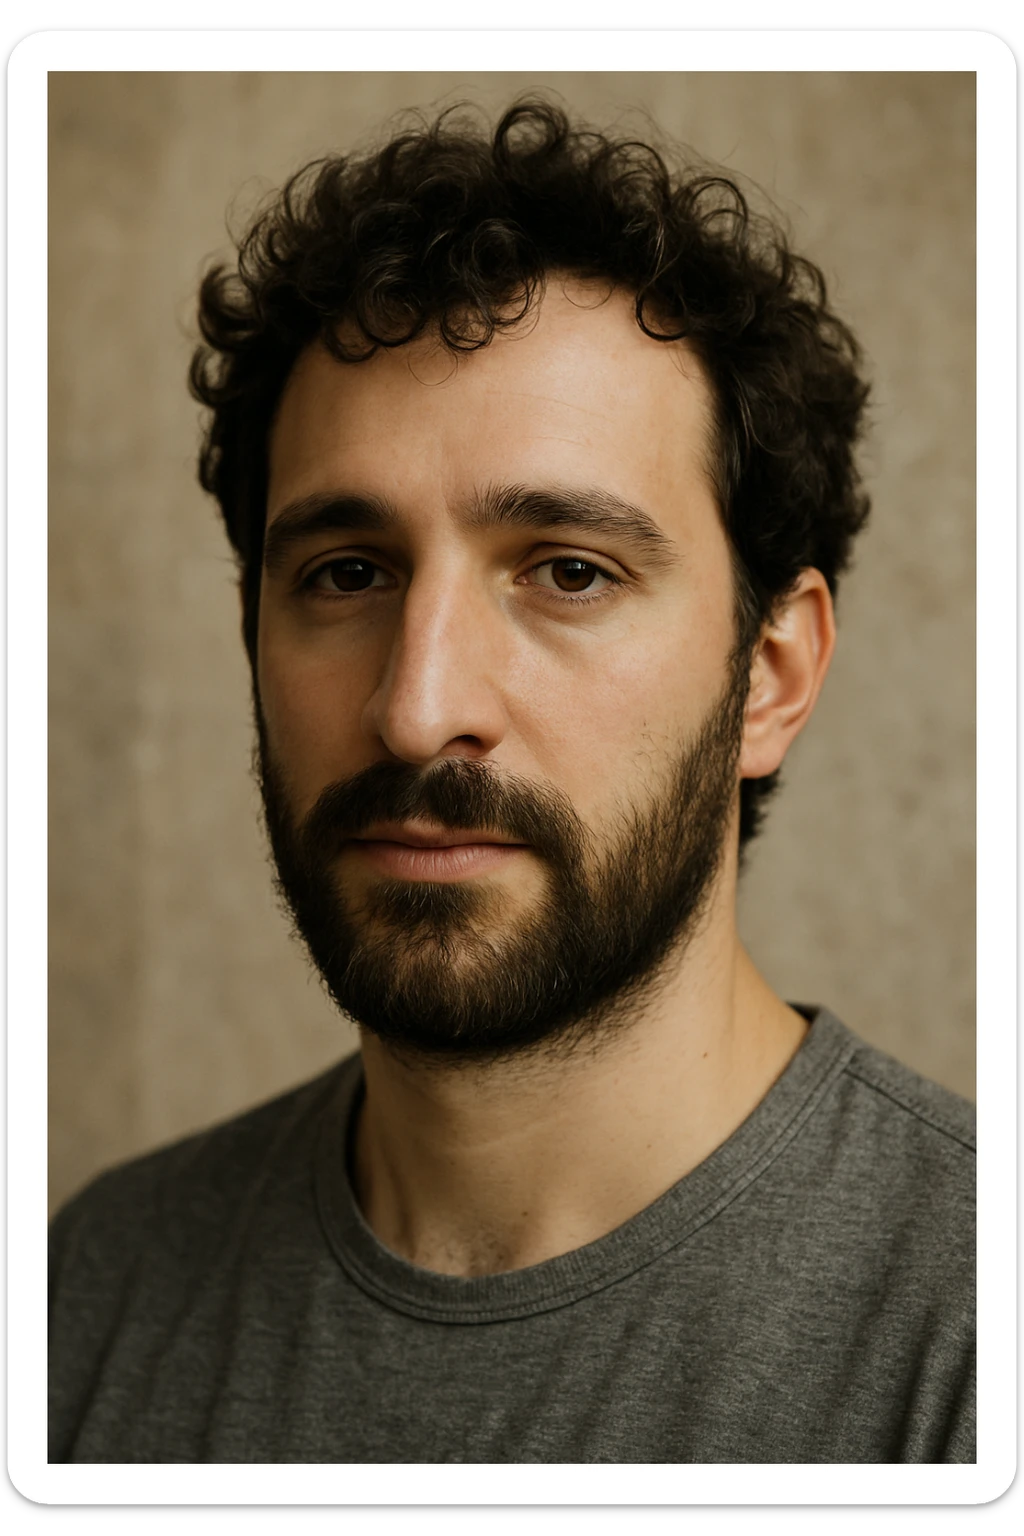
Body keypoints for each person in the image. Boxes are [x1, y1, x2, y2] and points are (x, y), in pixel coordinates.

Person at [48, 100, 975, 1465]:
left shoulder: (967, 1332)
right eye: (346, 574)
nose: (419, 710)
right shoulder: (89, 1295)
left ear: (770, 673)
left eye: (568, 571)